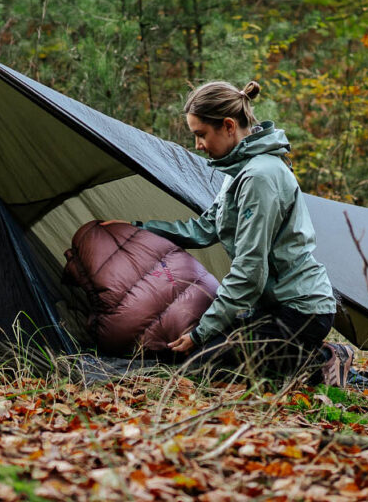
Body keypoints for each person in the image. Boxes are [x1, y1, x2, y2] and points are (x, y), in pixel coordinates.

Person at [108, 81, 337, 377]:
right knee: (195, 358)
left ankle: (322, 361)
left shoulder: (260, 176)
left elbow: (250, 272)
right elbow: (204, 229)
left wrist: (201, 333)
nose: (198, 146)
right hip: (271, 308)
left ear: (228, 126)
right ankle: (293, 357)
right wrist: (138, 229)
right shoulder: (239, 169)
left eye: (201, 135)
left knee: (200, 366)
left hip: (300, 311)